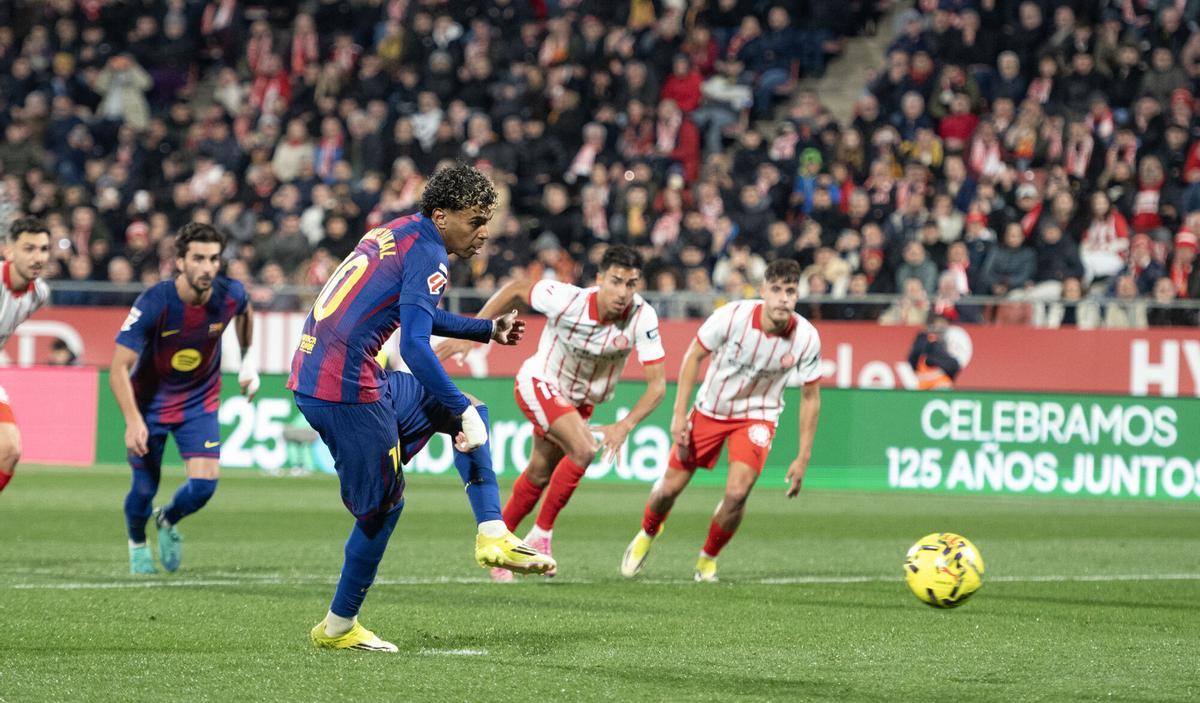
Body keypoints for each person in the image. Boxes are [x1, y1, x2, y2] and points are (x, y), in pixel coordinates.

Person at [287, 164, 553, 653]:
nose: (483, 232)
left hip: (331, 369)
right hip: (343, 388)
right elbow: (414, 344)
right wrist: (462, 410)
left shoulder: (399, 231)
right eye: (474, 221)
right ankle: (338, 627)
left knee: (468, 407)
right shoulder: (431, 252)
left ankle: (492, 532)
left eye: (486, 220)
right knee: (383, 508)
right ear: (442, 215)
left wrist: (484, 330)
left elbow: (418, 313)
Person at [437, 245, 667, 581]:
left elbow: (658, 386)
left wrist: (626, 424)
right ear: (600, 279)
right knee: (585, 448)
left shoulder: (642, 317)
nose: (623, 292)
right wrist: (471, 332)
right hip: (539, 382)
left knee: (540, 473)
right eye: (616, 281)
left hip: (580, 402)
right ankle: (540, 535)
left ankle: (499, 545)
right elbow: (517, 287)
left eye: (631, 284)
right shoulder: (568, 299)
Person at [619, 259, 822, 582]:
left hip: (758, 416)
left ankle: (707, 560)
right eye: (777, 290)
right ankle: (647, 533)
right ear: (763, 291)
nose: (784, 298)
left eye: (791, 291)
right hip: (711, 410)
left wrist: (803, 456)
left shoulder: (807, 338)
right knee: (669, 489)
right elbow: (693, 356)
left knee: (738, 493)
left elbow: (811, 397)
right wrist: (678, 415)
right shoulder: (732, 317)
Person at [110, 223, 259, 574]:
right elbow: (118, 368)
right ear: (179, 262)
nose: (207, 267)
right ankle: (136, 541)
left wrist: (247, 362)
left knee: (205, 486)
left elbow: (246, 312)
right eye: (198, 259)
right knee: (144, 490)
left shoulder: (230, 294)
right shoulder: (154, 302)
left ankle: (167, 518)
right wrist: (133, 421)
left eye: (213, 259)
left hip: (198, 402)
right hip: (150, 407)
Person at [0, 218, 52, 497]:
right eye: (29, 249)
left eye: (43, 249)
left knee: (9, 450)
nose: (37, 257)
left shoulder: (39, 294)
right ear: (9, 251)